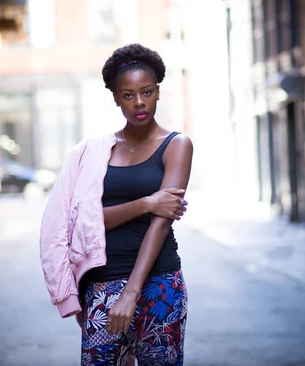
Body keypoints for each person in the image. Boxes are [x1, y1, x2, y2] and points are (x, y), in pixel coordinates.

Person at [39, 43, 193, 366]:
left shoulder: (176, 145)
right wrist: (148, 202)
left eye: (147, 92)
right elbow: (85, 223)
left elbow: (161, 224)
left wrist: (132, 292)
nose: (139, 102)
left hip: (159, 284)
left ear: (158, 92)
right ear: (115, 98)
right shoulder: (97, 152)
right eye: (128, 95)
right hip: (102, 283)